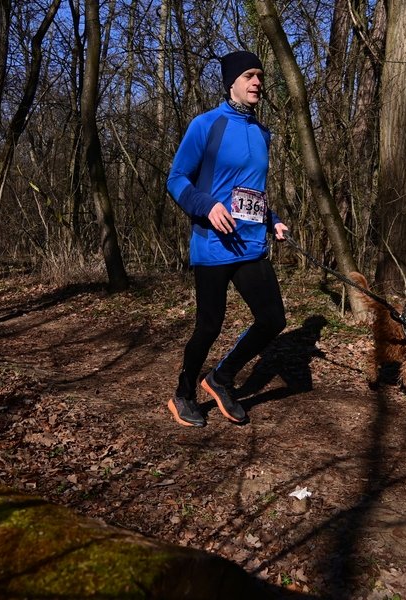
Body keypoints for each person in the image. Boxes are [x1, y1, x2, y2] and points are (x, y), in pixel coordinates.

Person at [165, 50, 289, 427]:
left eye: (260, 77)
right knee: (209, 325)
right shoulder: (207, 125)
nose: (257, 83)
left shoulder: (262, 132)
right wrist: (207, 206)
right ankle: (183, 394)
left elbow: (251, 192)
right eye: (249, 76)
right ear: (231, 82)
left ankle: (219, 378)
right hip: (213, 244)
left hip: (251, 244)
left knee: (273, 320)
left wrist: (273, 220)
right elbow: (176, 179)